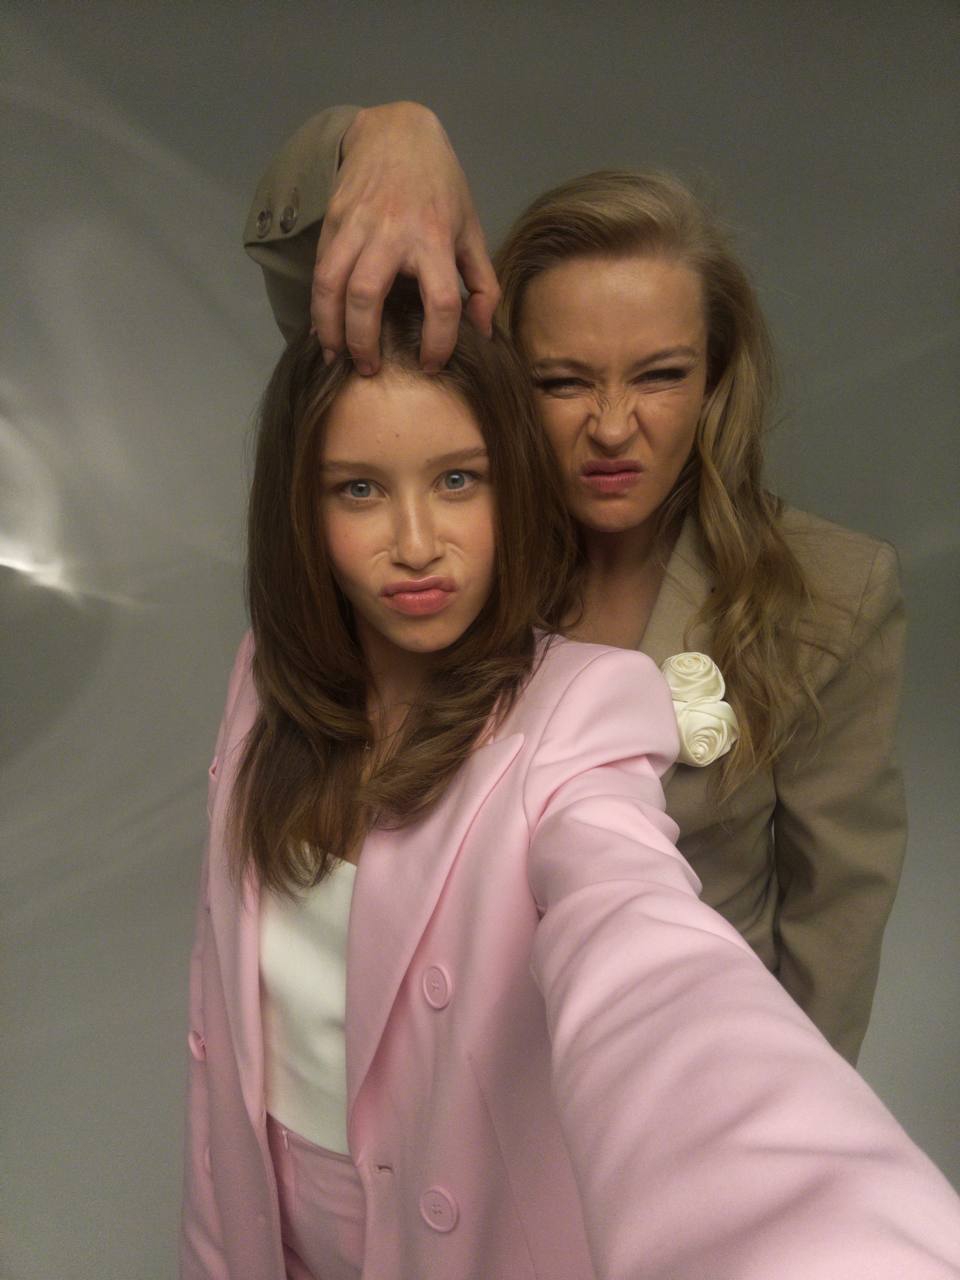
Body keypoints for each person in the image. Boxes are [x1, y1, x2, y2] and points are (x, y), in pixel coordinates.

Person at [181, 283, 960, 1280]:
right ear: (300, 508)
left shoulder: (581, 712)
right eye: (359, 490)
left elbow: (643, 946)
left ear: (515, 485)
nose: (416, 544)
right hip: (263, 1216)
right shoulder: (263, 675)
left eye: (458, 479)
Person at [241, 103, 906, 1064]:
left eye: (660, 375)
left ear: (717, 377)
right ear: (501, 377)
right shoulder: (450, 551)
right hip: (452, 1086)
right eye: (562, 381)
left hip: (672, 1086)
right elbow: (322, 294)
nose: (612, 427)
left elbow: (831, 932)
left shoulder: (831, 592)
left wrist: (777, 1141)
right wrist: (387, 136)